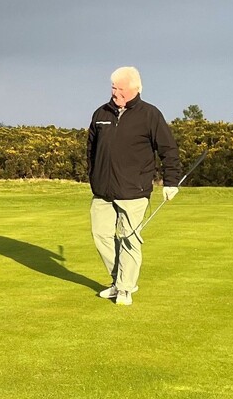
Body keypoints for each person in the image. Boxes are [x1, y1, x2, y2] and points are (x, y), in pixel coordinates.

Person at [87, 67, 181, 305]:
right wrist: (94, 177)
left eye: (120, 88)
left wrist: (171, 182)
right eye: (113, 87)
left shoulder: (149, 114)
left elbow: (168, 150)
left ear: (135, 89)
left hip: (134, 191)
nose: (115, 92)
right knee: (101, 236)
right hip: (103, 190)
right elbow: (91, 150)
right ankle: (118, 281)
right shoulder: (101, 113)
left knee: (129, 238)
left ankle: (125, 288)